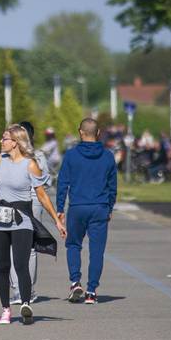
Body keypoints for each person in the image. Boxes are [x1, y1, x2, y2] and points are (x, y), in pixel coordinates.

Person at [0, 125, 66, 325]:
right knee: (2, 267)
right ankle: (5, 309)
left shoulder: (30, 165)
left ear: (15, 142)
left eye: (4, 138)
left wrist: (56, 220)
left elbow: (41, 194)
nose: (1, 142)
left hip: (22, 219)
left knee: (21, 264)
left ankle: (25, 303)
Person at [57, 118, 117, 304]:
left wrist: (60, 208)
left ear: (80, 132)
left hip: (77, 207)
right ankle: (91, 291)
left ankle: (75, 282)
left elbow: (63, 183)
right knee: (97, 250)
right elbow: (112, 186)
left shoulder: (71, 155)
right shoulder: (108, 156)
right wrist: (109, 206)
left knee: (73, 245)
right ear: (98, 133)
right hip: (99, 207)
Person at [7, 121, 50, 305]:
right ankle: (26, 289)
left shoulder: (8, 155)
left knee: (15, 246)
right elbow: (45, 181)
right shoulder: (38, 156)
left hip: (22, 201)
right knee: (28, 248)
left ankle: (21, 290)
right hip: (27, 201)